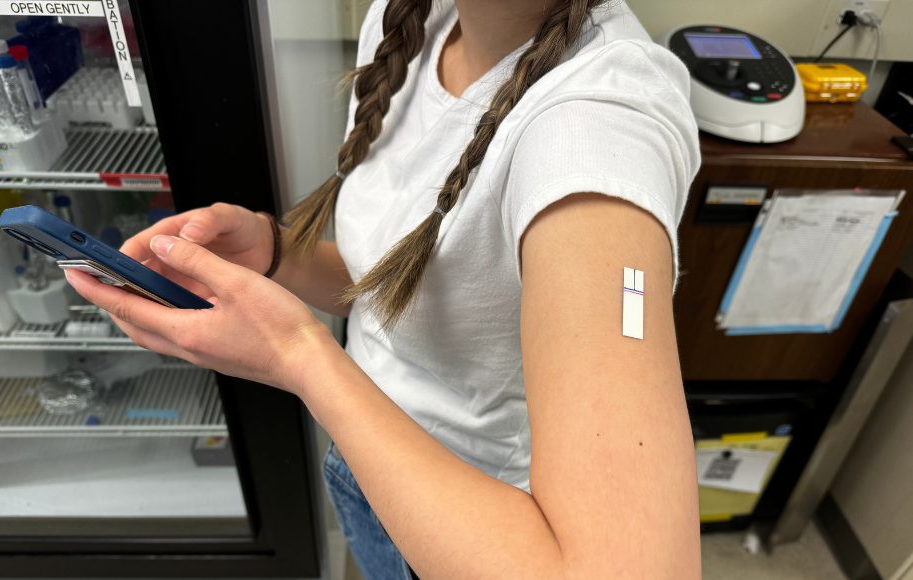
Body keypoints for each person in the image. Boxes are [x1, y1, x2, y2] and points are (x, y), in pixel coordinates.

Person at [65, 0, 703, 577]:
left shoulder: (598, 130)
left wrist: (298, 354)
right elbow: (408, 294)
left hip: (471, 527)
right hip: (363, 464)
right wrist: (277, 254)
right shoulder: (408, 22)